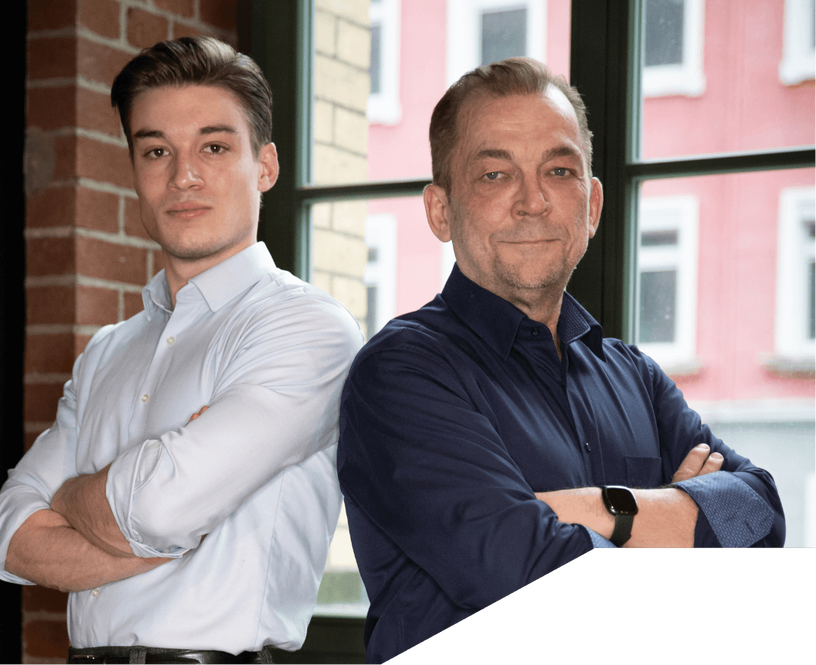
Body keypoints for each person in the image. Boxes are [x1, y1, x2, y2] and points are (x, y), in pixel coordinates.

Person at [336, 57, 785, 663]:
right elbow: (525, 573)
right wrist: (674, 520)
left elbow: (762, 519)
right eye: (495, 174)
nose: (532, 201)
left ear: (593, 205)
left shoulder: (634, 376)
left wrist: (598, 508)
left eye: (559, 170)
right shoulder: (401, 374)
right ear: (440, 211)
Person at [0, 36, 362, 665]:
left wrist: (73, 497)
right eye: (156, 150)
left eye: (214, 147)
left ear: (265, 166)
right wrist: (164, 518)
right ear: (134, 168)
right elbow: (6, 539)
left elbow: (159, 509)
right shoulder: (107, 351)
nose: (183, 175)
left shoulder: (307, 329)